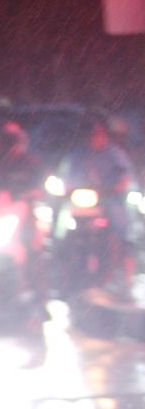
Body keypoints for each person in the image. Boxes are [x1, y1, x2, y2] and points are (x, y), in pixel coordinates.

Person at [63, 118, 139, 292]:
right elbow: (68, 176)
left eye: (99, 134)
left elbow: (125, 176)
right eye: (92, 134)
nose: (95, 138)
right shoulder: (78, 155)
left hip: (110, 200)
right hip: (83, 205)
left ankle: (121, 271)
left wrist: (116, 187)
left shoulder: (115, 155)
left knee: (120, 230)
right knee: (61, 221)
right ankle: (65, 267)